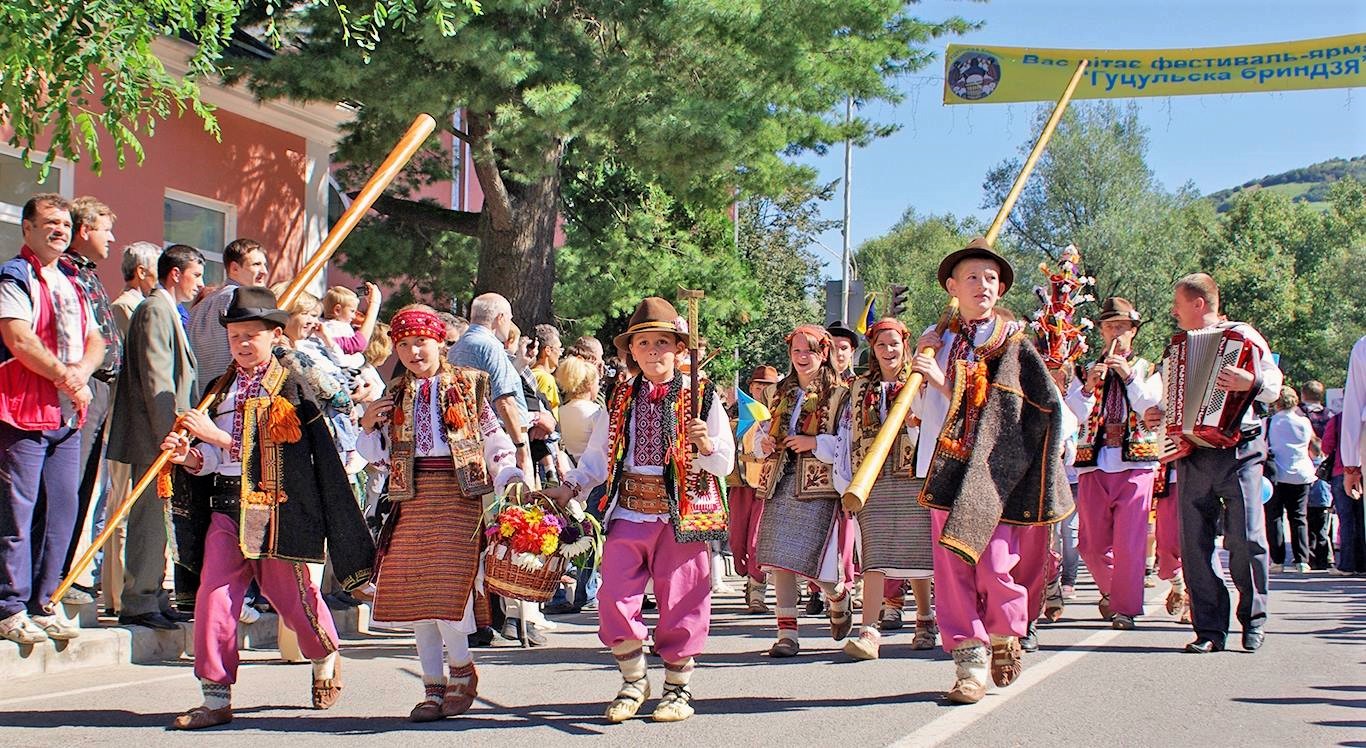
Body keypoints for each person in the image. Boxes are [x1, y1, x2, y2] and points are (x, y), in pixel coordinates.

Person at [158, 286, 375, 730]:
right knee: (213, 596)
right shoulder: (219, 389)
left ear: (276, 335)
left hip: (278, 509)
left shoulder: (291, 384)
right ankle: (215, 697)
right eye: (234, 335)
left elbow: (285, 450)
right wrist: (190, 457)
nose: (240, 343)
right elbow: (218, 459)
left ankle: (325, 655)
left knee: (292, 599)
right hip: (225, 504)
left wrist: (216, 437)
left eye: (250, 334)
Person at [543, 297, 733, 724]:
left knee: (683, 600)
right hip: (628, 510)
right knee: (613, 597)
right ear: (631, 350)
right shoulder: (620, 396)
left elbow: (725, 462)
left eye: (661, 342)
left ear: (679, 349)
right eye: (643, 343)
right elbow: (598, 455)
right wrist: (571, 485)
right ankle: (633, 679)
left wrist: (706, 444)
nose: (651, 351)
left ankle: (678, 689)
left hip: (682, 513)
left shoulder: (701, 396)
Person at [908, 237, 1073, 704]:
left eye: (992, 278)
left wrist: (942, 380)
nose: (984, 285)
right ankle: (968, 661)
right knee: (953, 568)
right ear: (952, 287)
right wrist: (918, 368)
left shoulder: (1013, 343)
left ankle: (1005, 634)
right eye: (974, 277)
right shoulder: (935, 337)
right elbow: (920, 408)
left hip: (992, 472)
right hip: (943, 467)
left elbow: (1018, 408)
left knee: (996, 562)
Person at [356, 305, 527, 721]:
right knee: (418, 598)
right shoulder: (393, 394)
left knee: (447, 593)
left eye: (421, 342)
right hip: (411, 501)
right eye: (404, 344)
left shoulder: (468, 386)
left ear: (440, 342)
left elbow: (493, 436)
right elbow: (374, 458)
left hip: (457, 496)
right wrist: (366, 427)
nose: (414, 351)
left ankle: (461, 670)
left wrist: (507, 472)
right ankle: (433, 687)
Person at [1153, 272, 1282, 655]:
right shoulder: (1177, 348)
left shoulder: (1245, 336)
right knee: (1194, 542)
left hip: (1240, 450)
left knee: (1245, 538)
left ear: (1200, 304)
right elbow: (1172, 402)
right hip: (1193, 452)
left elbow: (1273, 385)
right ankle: (1209, 629)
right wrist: (1159, 415)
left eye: (1179, 304)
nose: (1174, 312)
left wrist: (1251, 382)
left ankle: (1253, 620)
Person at [0, 194, 105, 644]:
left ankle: (46, 601)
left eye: (64, 223)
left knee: (63, 511)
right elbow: (17, 337)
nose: (59, 229)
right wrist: (67, 376)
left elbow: (95, 338)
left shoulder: (74, 281)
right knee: (18, 514)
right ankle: (9, 606)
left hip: (67, 414)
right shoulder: (14, 274)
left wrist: (81, 373)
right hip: (24, 409)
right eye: (49, 222)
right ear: (27, 228)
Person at [106, 244, 204, 630]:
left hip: (168, 437)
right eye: (196, 275)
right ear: (175, 274)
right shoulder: (154, 310)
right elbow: (156, 379)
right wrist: (169, 436)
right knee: (148, 517)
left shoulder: (168, 311)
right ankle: (140, 598)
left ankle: (154, 593)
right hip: (155, 438)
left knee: (161, 518)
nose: (200, 284)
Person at [750, 324, 853, 658]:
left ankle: (836, 594)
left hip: (818, 484)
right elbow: (761, 431)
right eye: (796, 351)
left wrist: (815, 442)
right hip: (780, 479)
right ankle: (787, 635)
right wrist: (764, 440)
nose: (802, 357)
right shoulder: (780, 393)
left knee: (812, 561)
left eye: (809, 350)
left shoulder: (841, 394)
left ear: (823, 353)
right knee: (779, 560)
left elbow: (851, 442)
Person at [840, 318, 937, 661]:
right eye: (881, 345)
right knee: (875, 552)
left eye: (894, 343)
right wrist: (850, 480)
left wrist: (917, 424)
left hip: (915, 475)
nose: (888, 351)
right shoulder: (859, 387)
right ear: (873, 349)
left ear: (905, 345)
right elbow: (850, 434)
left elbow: (937, 422)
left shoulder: (921, 380)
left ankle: (925, 620)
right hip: (874, 478)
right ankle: (869, 631)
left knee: (918, 549)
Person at [1064, 297, 1163, 630]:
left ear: (1133, 331)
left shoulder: (1149, 368)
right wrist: (1089, 386)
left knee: (1130, 542)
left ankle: (1125, 607)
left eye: (1121, 327)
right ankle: (1114, 592)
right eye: (1109, 327)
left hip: (1136, 462)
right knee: (1090, 545)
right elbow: (1074, 414)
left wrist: (1128, 375)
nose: (1115, 333)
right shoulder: (1085, 369)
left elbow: (1150, 404)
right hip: (1094, 463)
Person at [55, 197, 120, 605]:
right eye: (105, 228)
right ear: (85, 230)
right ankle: (52, 576)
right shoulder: (64, 272)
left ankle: (63, 570)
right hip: (80, 385)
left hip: (100, 388)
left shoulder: (87, 272)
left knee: (82, 487)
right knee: (66, 483)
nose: (111, 237)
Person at [100, 242, 162, 615]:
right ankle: (116, 593)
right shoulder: (127, 308)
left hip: (138, 426)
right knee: (121, 509)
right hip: (127, 424)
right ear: (141, 271)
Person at [186, 239, 269, 398]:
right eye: (256, 264)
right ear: (234, 268)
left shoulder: (200, 305)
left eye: (265, 265)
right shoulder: (240, 298)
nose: (264, 271)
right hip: (230, 395)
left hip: (201, 396)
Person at [732, 365, 778, 615]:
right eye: (759, 385)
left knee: (756, 541)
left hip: (766, 486)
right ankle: (748, 579)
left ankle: (758, 590)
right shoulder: (737, 415)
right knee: (737, 539)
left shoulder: (780, 414)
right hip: (740, 486)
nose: (762, 390)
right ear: (750, 387)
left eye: (768, 386)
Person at [1266, 386, 1316, 573]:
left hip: (1277, 474)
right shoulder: (1304, 422)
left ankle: (1278, 560)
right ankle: (1302, 559)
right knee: (1299, 517)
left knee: (1275, 517)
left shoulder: (1270, 423)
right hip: (1301, 473)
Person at [1322, 411, 1364, 574]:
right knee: (1361, 519)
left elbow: (1327, 446)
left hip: (1342, 470)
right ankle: (1362, 563)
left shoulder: (1339, 419)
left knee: (1346, 520)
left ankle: (1347, 564)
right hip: (1363, 472)